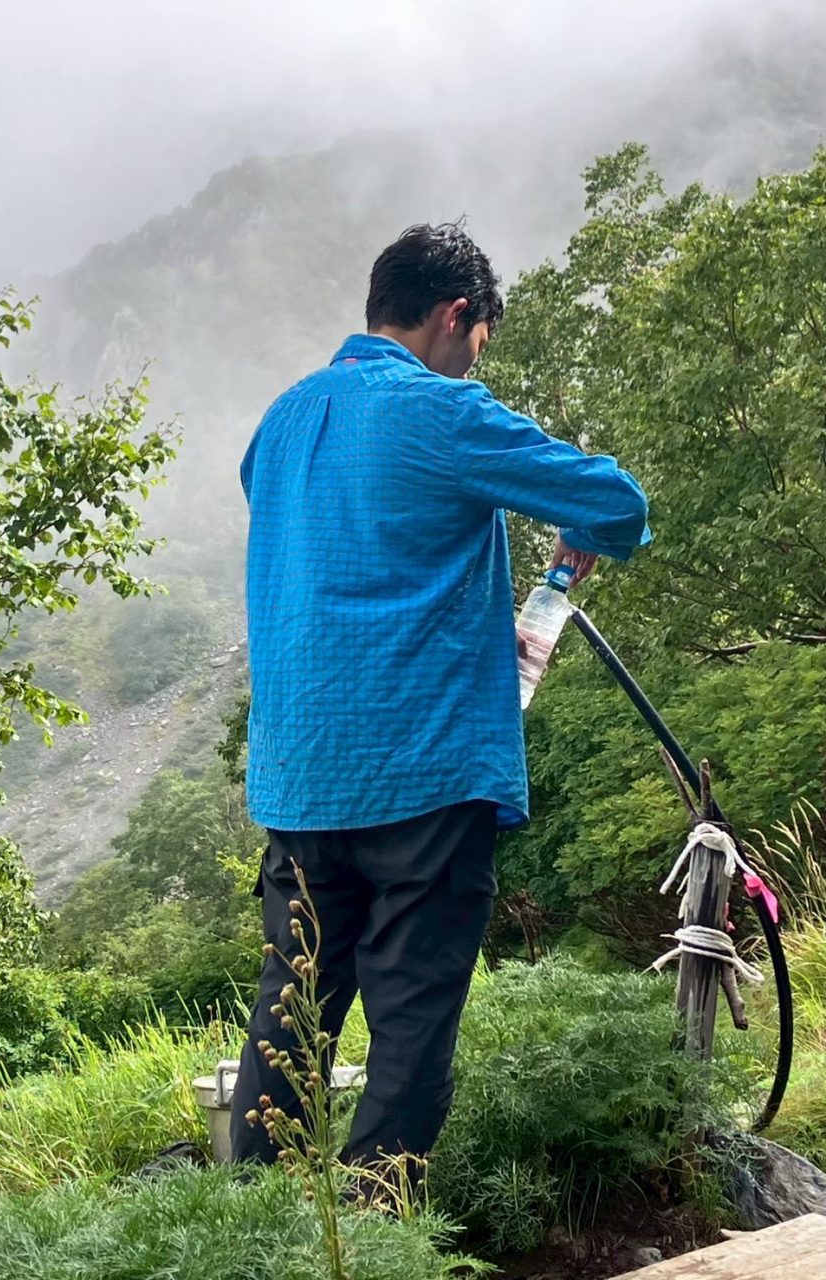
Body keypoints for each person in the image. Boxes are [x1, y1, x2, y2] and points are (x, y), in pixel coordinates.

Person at [229, 221, 650, 1175]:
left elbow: (325, 530)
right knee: (412, 1019)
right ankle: (379, 1223)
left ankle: (251, 1219)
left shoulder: (281, 421)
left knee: (292, 1013)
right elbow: (615, 502)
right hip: (422, 770)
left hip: (300, 778)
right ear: (457, 315)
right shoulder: (440, 410)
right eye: (479, 342)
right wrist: (577, 545)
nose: (473, 363)